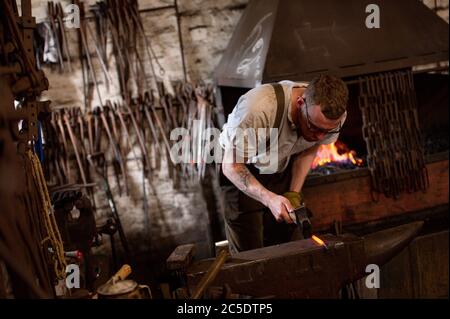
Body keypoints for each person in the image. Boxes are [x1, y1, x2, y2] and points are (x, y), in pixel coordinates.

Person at [218, 74, 349, 254]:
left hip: (281, 165)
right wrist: (269, 198)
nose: (320, 136)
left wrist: (293, 192)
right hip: (242, 171)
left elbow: (311, 147)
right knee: (251, 255)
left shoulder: (334, 118)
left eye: (326, 131)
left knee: (288, 248)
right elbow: (231, 166)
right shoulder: (259, 109)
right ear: (300, 103)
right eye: (314, 127)